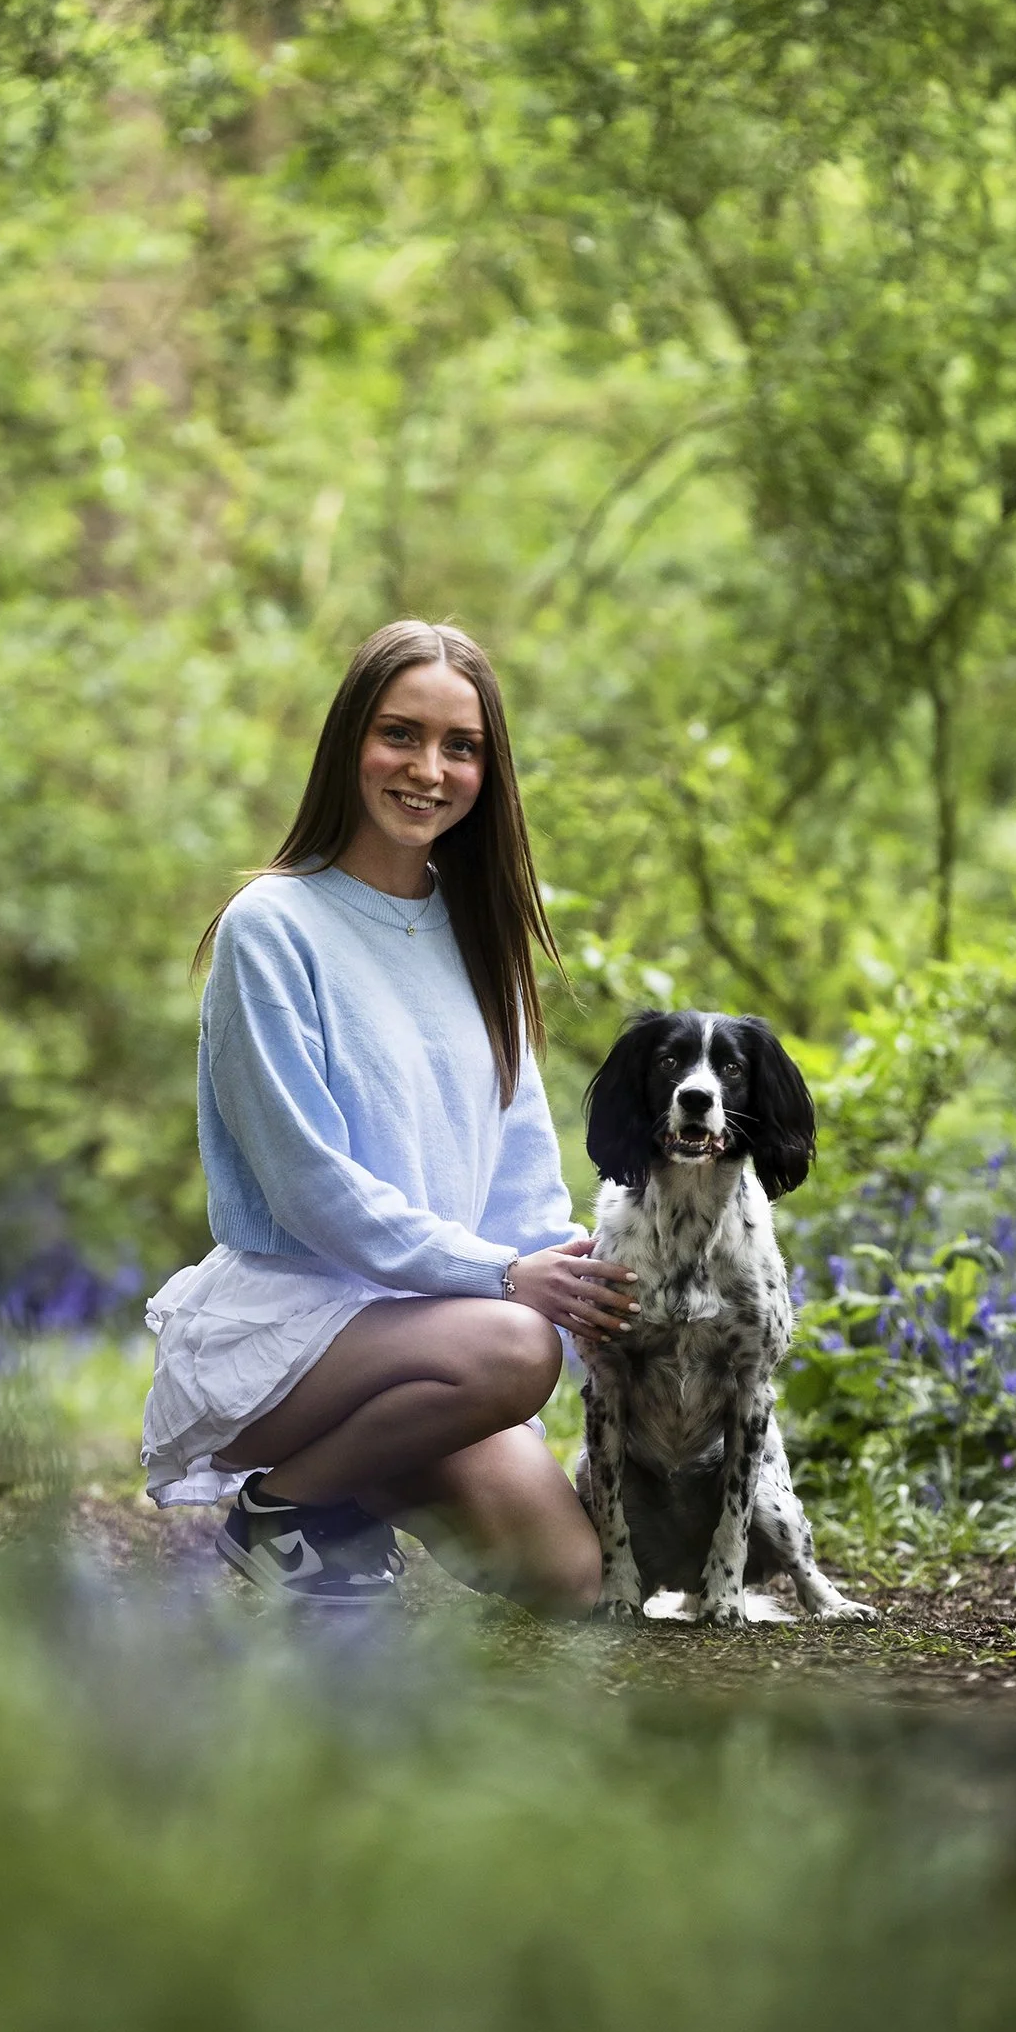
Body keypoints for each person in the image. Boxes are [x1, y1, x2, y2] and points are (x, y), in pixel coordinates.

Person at [140, 619, 640, 1612]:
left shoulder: (477, 936)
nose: (427, 768)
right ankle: (287, 1505)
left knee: (565, 1575)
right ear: (347, 745)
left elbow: (520, 1179)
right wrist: (505, 1280)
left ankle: (361, 1475)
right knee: (513, 1346)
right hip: (292, 1334)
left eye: (460, 747)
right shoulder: (272, 925)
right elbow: (306, 1185)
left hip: (436, 1338)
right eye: (398, 734)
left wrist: (585, 1298)